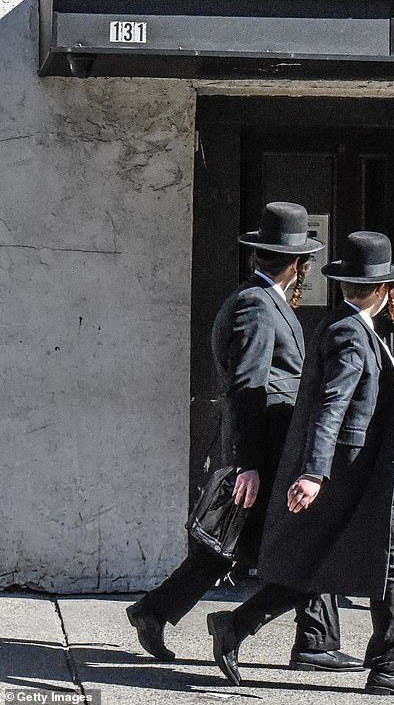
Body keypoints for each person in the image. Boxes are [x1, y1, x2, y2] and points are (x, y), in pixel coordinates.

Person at [127, 202, 361, 674]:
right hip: (267, 450)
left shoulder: (259, 300)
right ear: (298, 264)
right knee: (300, 538)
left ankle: (156, 611)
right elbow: (246, 388)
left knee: (232, 543)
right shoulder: (256, 306)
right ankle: (313, 640)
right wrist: (247, 461)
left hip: (272, 447)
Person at [206, 231, 394, 697]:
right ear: (382, 289)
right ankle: (387, 667)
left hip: (354, 472)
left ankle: (235, 626)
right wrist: (313, 472)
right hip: (359, 476)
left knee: (321, 561)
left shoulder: (345, 326)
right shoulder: (352, 335)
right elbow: (330, 407)